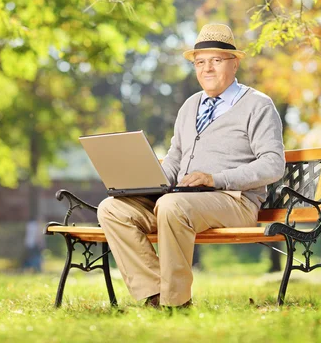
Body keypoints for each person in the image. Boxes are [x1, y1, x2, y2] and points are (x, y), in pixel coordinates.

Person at [97, 23, 285, 309]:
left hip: (234, 202)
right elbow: (174, 158)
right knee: (111, 209)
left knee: (173, 206)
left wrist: (215, 179)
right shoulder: (190, 106)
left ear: (234, 64)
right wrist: (145, 183)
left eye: (216, 61)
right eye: (200, 62)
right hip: (180, 201)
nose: (207, 68)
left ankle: (176, 303)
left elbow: (273, 164)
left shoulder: (258, 105)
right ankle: (155, 294)